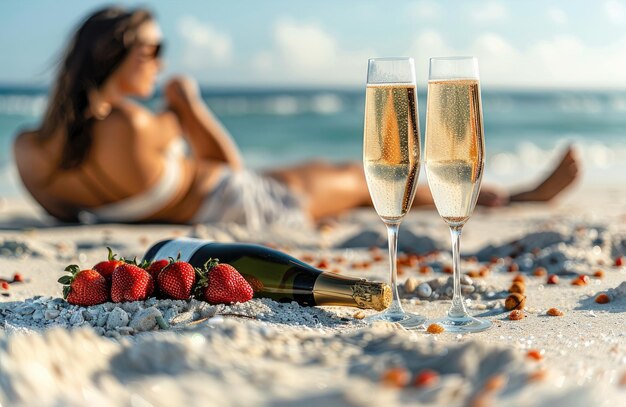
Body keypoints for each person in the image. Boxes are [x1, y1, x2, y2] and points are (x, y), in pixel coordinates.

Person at [13, 7, 579, 228]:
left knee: (335, 172)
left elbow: (68, 218)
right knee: (361, 178)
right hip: (244, 202)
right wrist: (189, 106)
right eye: (153, 51)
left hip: (222, 201)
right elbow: (227, 167)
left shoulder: (30, 149)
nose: (161, 64)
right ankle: (508, 198)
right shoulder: (136, 124)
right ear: (117, 55)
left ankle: (496, 195)